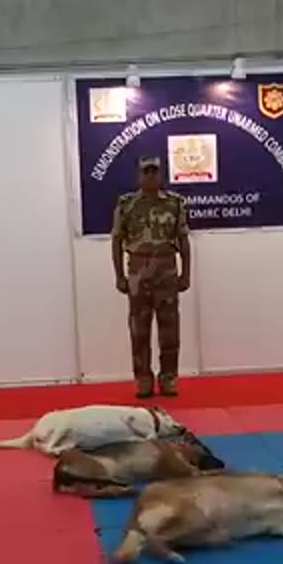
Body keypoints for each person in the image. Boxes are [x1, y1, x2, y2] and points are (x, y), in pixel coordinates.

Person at [110, 155, 191, 399]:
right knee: (139, 329)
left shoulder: (175, 203)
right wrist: (119, 276)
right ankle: (143, 380)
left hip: (166, 268)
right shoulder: (126, 204)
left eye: (155, 172)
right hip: (138, 269)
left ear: (161, 174)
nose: (151, 176)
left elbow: (184, 240)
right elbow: (116, 240)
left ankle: (168, 379)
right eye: (146, 172)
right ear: (139, 175)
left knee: (170, 330)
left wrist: (186, 273)